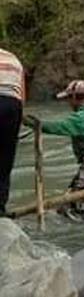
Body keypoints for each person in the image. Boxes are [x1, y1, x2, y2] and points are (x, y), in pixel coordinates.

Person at [35, 80, 84, 221]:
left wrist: (33, 123)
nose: (68, 103)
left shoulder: (80, 119)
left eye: (69, 99)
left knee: (73, 211)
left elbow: (58, 127)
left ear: (76, 98)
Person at [0, 48, 25, 217]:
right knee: (5, 159)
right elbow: (22, 94)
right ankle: (0, 207)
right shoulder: (13, 58)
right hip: (13, 106)